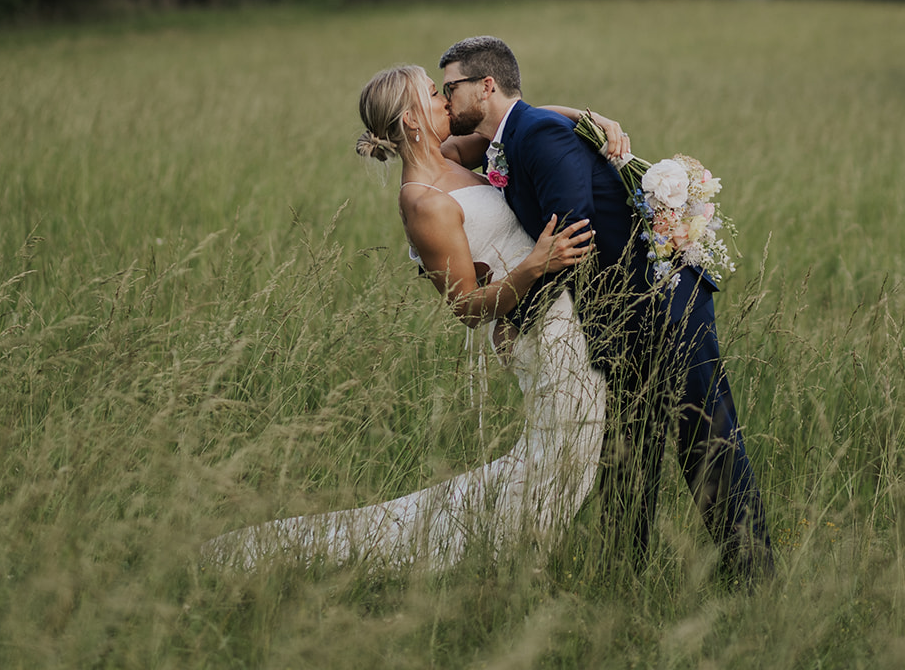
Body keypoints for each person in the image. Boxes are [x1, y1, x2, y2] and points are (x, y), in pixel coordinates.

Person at [202, 64, 612, 571]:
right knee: (563, 459)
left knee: (569, 456)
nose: (445, 100)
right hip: (533, 330)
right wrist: (534, 267)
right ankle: (487, 558)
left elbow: (517, 122)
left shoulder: (452, 155)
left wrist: (590, 119)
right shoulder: (420, 201)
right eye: (432, 95)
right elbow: (463, 307)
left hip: (560, 317)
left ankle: (513, 551)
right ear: (412, 119)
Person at [438, 35, 774, 585]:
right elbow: (448, 150)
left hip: (662, 302)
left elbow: (574, 232)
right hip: (615, 314)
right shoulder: (508, 138)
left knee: (705, 439)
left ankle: (754, 576)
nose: (447, 102)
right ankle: (622, 576)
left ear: (486, 85)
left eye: (450, 89)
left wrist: (518, 315)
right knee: (626, 449)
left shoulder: (537, 133)